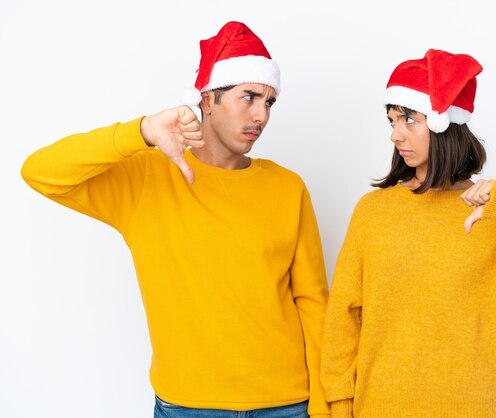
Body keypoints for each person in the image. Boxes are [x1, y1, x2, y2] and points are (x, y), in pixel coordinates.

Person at [22, 21, 330, 418]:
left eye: (269, 102)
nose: (261, 115)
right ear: (206, 99)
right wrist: (142, 131)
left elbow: (313, 302)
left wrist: (324, 404)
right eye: (248, 96)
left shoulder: (288, 187)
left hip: (287, 402)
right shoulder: (146, 178)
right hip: (187, 404)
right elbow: (40, 171)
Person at [320, 49, 496, 418]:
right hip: (378, 408)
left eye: (409, 120)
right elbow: (344, 317)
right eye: (392, 121)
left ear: (442, 124)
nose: (396, 134)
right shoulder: (374, 212)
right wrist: (337, 405)